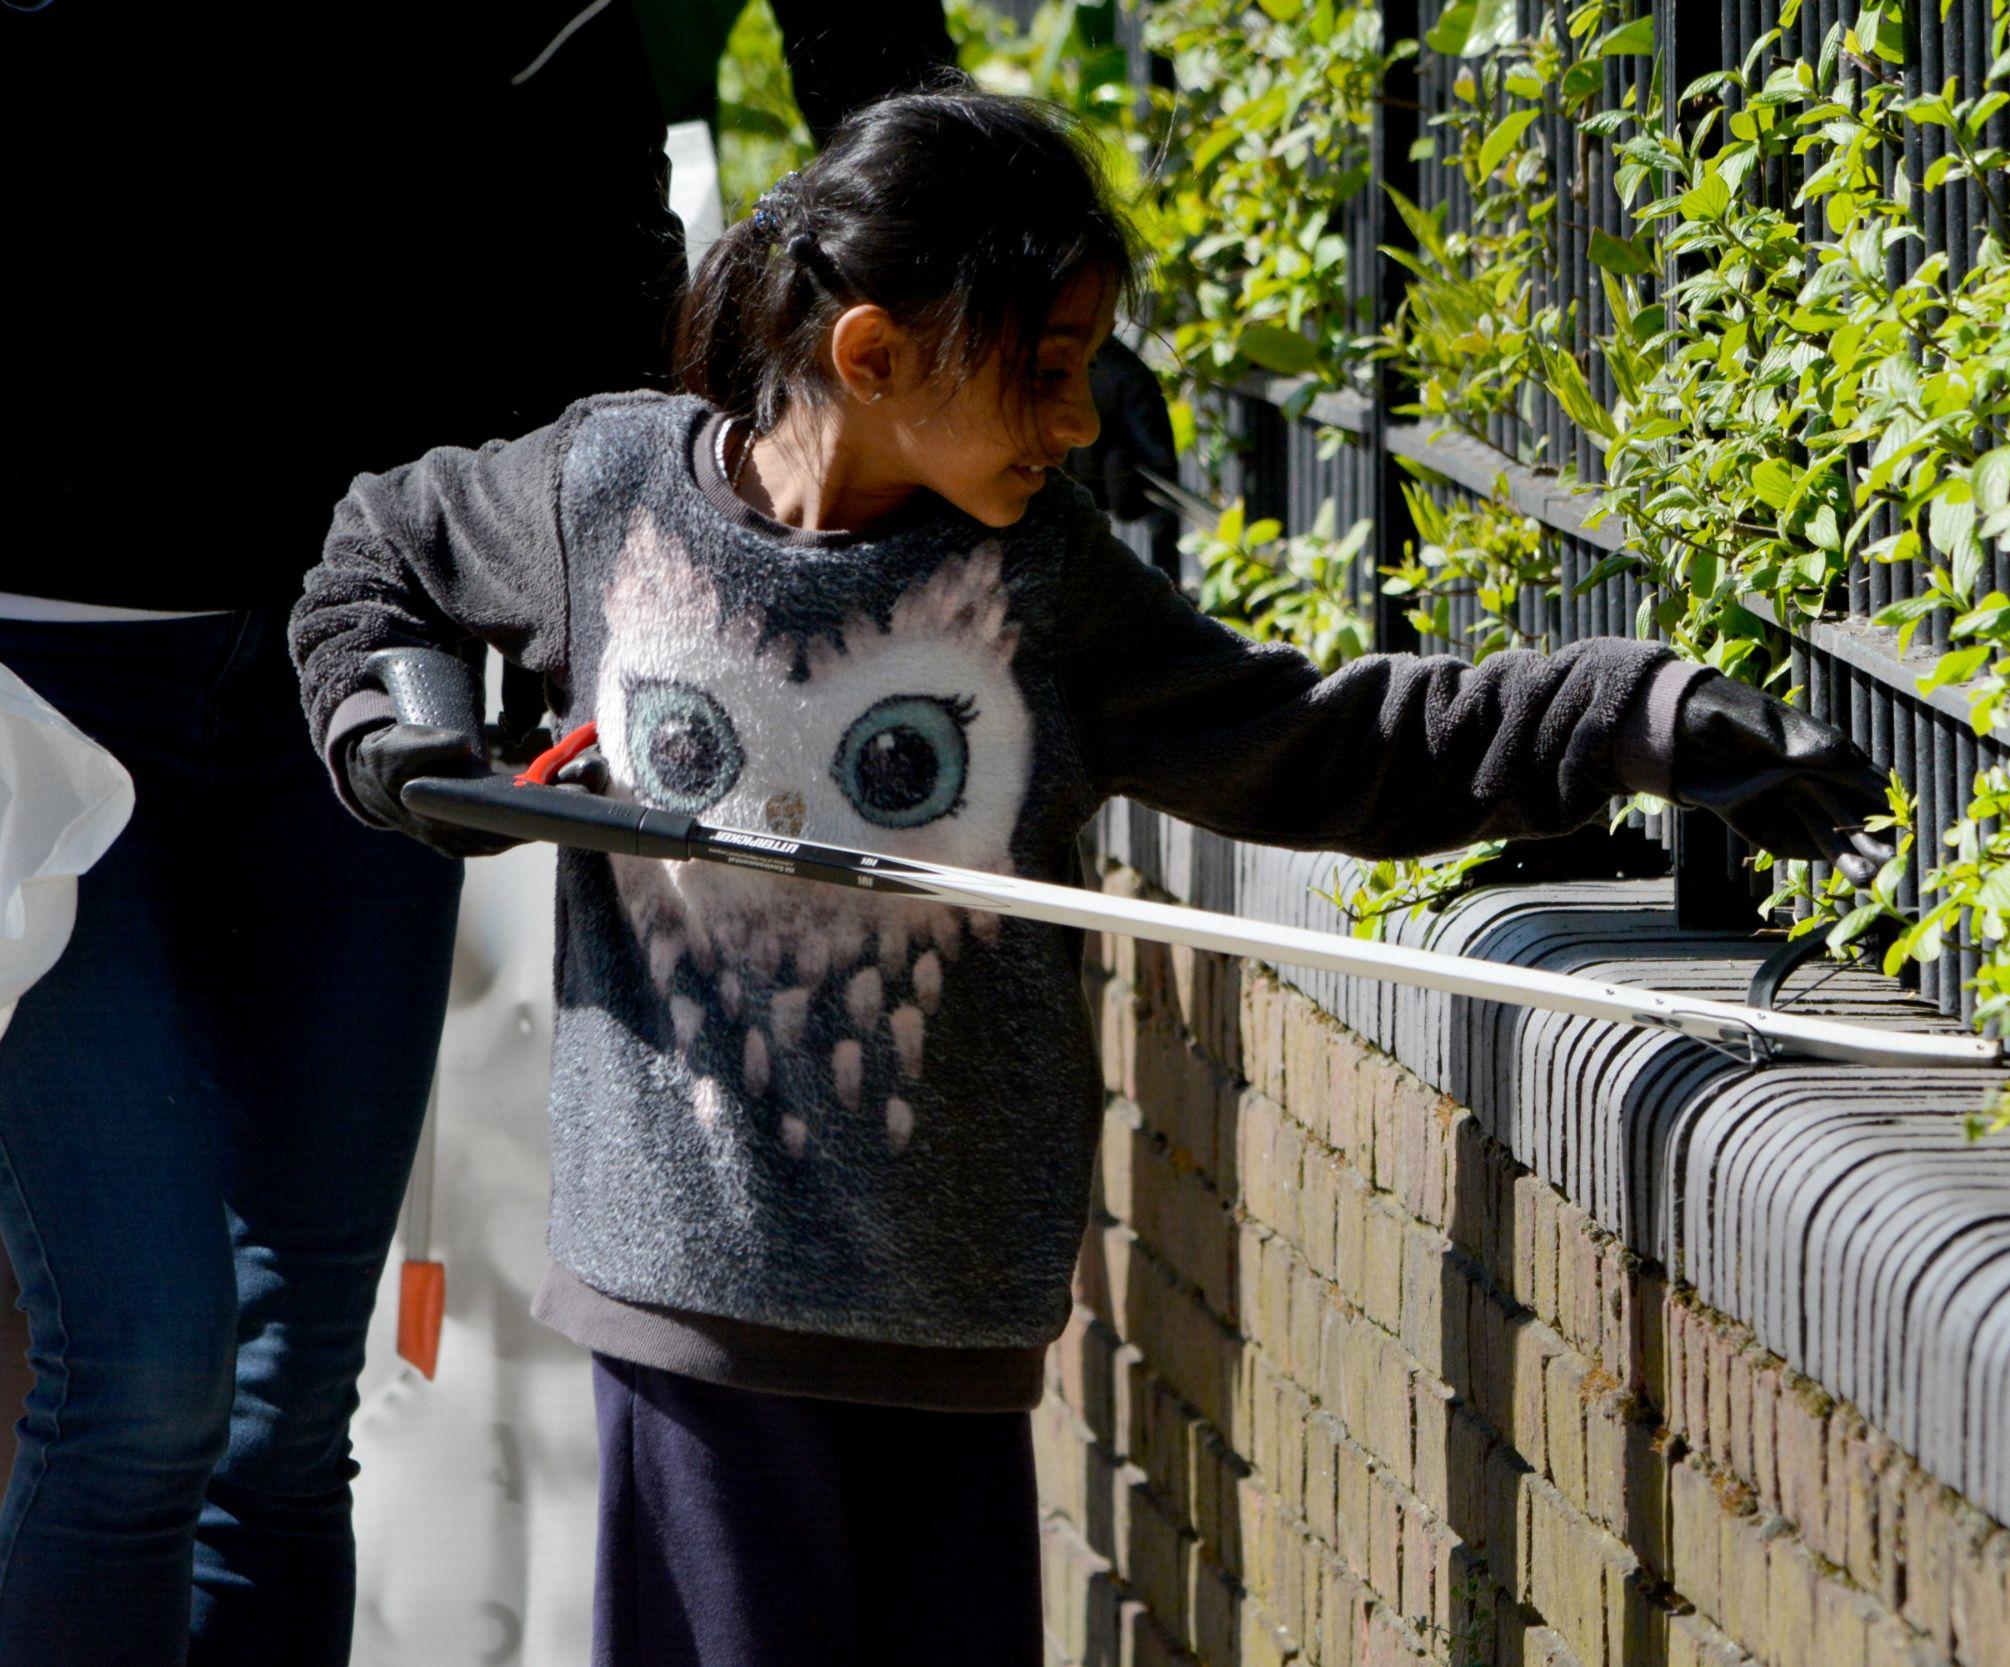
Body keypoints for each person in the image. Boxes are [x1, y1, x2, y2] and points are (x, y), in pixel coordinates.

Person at [290, 85, 1889, 1664]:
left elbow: (1311, 738)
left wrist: (1633, 717)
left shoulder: (1038, 585)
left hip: (953, 1324)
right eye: (1044, 373)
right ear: (873, 354)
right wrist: (401, 735)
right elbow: (376, 558)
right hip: (683, 1312)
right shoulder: (601, 494)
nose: (1075, 425)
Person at [0, 5, 678, 1661]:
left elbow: (596, 221)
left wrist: (559, 593)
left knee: (290, 1401)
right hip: (34, 679)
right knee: (145, 1374)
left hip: (356, 660)